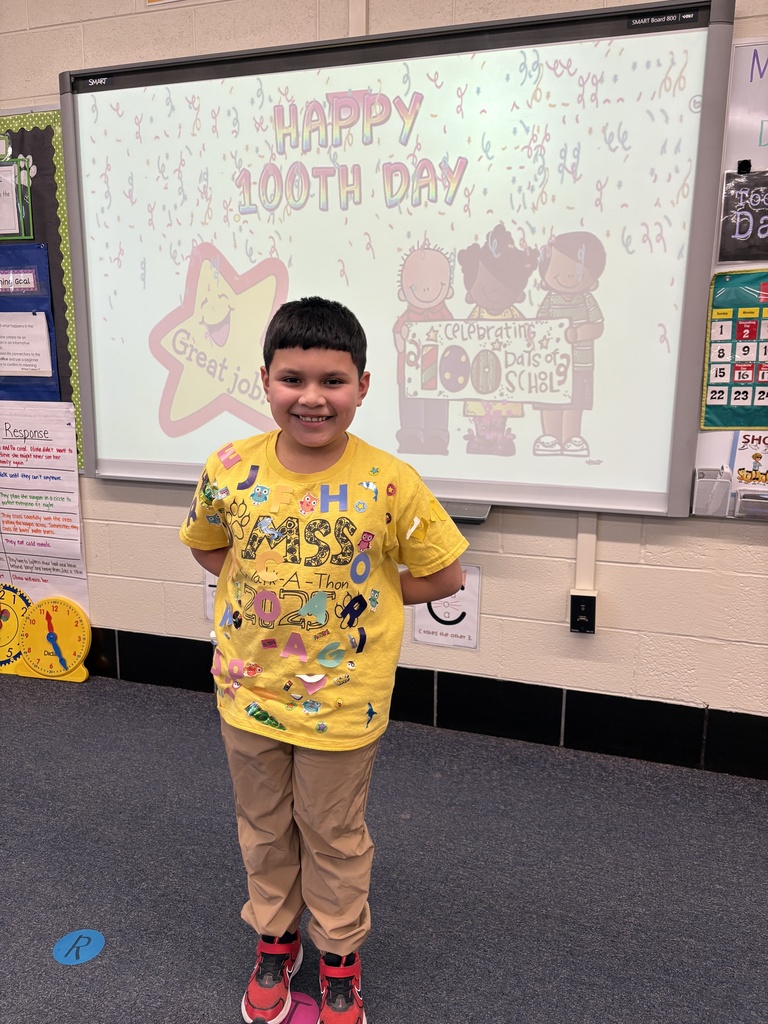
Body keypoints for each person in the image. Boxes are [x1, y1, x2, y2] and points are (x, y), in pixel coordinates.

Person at [179, 296, 468, 1024]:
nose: (312, 397)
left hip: (344, 699)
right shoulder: (227, 467)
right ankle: (276, 940)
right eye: (293, 379)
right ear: (266, 381)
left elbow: (446, 575)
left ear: (363, 386)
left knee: (333, 833)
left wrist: (367, 590)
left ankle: (339, 954)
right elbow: (210, 546)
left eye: (333, 381)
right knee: (264, 825)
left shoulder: (390, 481)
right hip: (248, 691)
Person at [533, 231, 606, 457]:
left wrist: (579, 333)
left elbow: (598, 326)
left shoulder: (586, 300)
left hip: (579, 365)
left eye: (575, 270)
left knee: (575, 403)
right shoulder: (550, 300)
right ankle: (551, 437)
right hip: (551, 366)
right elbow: (538, 326)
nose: (565, 276)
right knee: (550, 401)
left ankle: (570, 438)